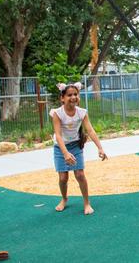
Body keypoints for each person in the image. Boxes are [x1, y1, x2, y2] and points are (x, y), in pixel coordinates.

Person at [50, 82, 107, 215]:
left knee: (80, 174)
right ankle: (64, 199)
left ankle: (86, 203)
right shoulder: (57, 113)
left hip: (75, 145)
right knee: (63, 177)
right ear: (62, 98)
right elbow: (58, 135)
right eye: (69, 95)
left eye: (75, 94)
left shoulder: (82, 113)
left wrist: (100, 148)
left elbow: (91, 131)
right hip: (60, 147)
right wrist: (65, 153)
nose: (73, 97)